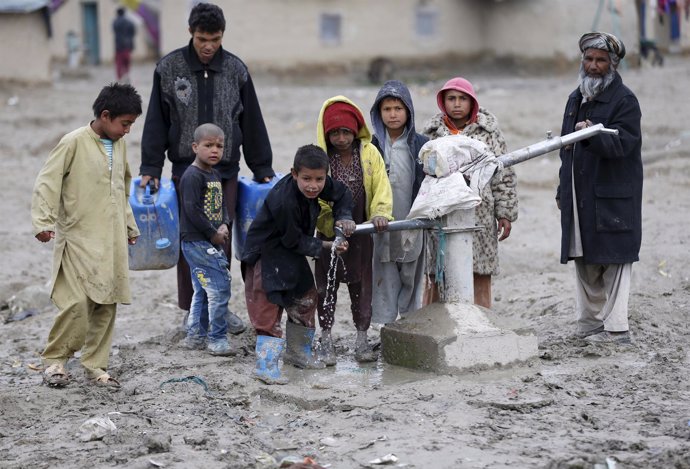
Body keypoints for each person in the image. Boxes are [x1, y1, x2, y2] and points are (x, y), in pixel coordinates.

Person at [140, 2, 274, 335]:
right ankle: (191, 311)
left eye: (214, 38)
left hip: (224, 174)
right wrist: (150, 167)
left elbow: (251, 120)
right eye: (202, 38)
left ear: (222, 35)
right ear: (191, 33)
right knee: (189, 243)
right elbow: (156, 121)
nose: (208, 45)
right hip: (185, 172)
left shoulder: (236, 70)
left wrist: (262, 166)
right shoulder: (168, 69)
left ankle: (219, 307)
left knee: (220, 239)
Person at [31, 83, 142, 388]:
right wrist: (43, 220)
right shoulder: (73, 142)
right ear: (105, 116)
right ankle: (55, 361)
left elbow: (122, 188)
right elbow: (48, 181)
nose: (128, 131)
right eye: (125, 124)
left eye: (131, 124)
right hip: (78, 239)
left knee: (107, 303)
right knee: (77, 304)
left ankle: (95, 365)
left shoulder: (119, 146)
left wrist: (130, 226)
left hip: (111, 239)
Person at [241, 145, 355, 384]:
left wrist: (344, 216)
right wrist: (328, 245)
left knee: (305, 296)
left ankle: (298, 353)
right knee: (268, 306)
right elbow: (293, 239)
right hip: (266, 252)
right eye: (306, 179)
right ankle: (266, 365)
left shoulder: (321, 184)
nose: (313, 185)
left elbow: (343, 193)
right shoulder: (284, 200)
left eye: (319, 179)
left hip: (293, 250)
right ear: (294, 174)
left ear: (326, 175)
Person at [556, 32, 642, 344]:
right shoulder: (575, 98)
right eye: (589, 59)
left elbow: (625, 144)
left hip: (613, 196)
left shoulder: (625, 101)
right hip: (580, 195)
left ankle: (617, 328)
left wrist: (593, 133)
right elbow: (565, 151)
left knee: (616, 260)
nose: (593, 66)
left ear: (613, 64)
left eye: (601, 60)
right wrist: (562, 191)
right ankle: (589, 324)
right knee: (585, 258)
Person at [422, 77, 518, 309]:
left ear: (472, 101)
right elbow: (424, 174)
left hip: (481, 213)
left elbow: (503, 175)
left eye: (462, 98)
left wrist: (504, 212)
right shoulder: (433, 134)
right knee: (438, 270)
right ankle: (436, 321)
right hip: (443, 213)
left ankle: (482, 319)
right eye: (451, 98)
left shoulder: (489, 133)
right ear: (443, 102)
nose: (457, 104)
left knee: (480, 270)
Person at [314, 97, 393, 364]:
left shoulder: (370, 153)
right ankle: (325, 339)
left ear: (355, 130)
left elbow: (382, 185)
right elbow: (315, 194)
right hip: (328, 237)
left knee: (362, 287)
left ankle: (362, 340)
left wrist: (380, 213)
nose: (340, 137)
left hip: (361, 234)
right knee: (326, 288)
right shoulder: (321, 157)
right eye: (334, 132)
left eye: (345, 131)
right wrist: (331, 221)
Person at [369, 80, 428, 325]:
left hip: (412, 222)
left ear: (409, 111)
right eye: (387, 109)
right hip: (381, 224)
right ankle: (383, 328)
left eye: (398, 108)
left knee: (411, 275)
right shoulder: (371, 147)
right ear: (378, 113)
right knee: (383, 275)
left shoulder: (421, 145)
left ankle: (409, 326)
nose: (393, 115)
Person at [178, 123, 234, 356]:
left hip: (209, 240)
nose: (215, 150)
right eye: (208, 145)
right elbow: (192, 210)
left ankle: (195, 336)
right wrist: (213, 234)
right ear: (195, 147)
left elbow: (220, 205)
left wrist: (224, 223)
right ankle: (217, 338)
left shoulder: (214, 173)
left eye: (219, 146)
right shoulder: (192, 176)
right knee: (220, 288)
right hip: (197, 242)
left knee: (202, 289)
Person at [112, 7, 136, 82]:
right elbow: (133, 33)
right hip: (127, 46)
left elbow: (114, 31)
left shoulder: (115, 22)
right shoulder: (129, 22)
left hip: (118, 46)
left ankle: (119, 78)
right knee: (127, 62)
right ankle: (127, 75)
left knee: (119, 63)